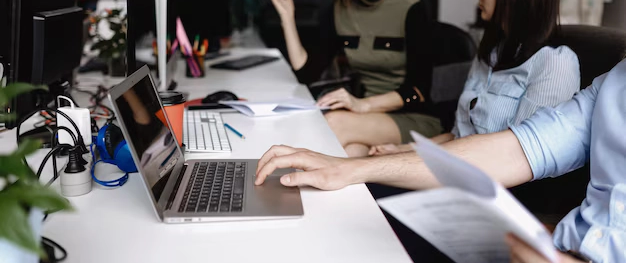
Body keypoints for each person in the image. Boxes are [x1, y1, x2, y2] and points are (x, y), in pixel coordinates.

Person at [255, 53, 626, 262]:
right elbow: (517, 149)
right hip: (554, 251)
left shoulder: (554, 61)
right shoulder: (614, 81)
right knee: (356, 227)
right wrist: (351, 169)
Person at [369, 0, 580, 156]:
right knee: (362, 155)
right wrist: (403, 149)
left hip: (487, 183)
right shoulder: (491, 52)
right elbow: (458, 134)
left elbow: (520, 155)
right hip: (451, 164)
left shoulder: (555, 64)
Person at [262, 0, 441, 157]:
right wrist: (287, 18)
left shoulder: (411, 8)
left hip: (411, 118)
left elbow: (418, 90)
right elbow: (306, 72)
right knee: (350, 152)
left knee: (334, 124)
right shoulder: (338, 10)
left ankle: (285, 180)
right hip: (363, 118)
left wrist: (362, 104)